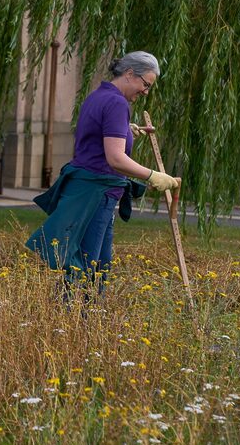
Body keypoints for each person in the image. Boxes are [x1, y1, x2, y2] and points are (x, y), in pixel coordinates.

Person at [26, 51, 179, 301]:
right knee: (84, 268)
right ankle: (73, 327)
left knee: (95, 268)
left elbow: (96, 135)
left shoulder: (99, 96)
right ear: (130, 74)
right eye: (146, 84)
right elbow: (115, 159)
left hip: (91, 191)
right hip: (95, 195)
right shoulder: (118, 103)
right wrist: (153, 176)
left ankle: (85, 326)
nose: (146, 92)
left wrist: (126, 130)